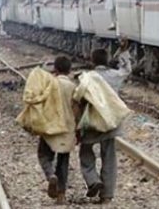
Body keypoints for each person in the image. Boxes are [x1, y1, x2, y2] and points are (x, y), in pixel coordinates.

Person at [74, 48, 127, 204]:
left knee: (85, 153)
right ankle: (107, 195)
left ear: (92, 60)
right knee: (109, 156)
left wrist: (76, 126)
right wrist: (124, 52)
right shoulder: (115, 76)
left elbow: (78, 99)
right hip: (110, 122)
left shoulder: (86, 78)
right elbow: (127, 70)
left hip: (90, 122)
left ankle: (92, 180)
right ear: (107, 60)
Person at [37, 56, 76, 205]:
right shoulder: (73, 87)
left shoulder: (49, 84)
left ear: (56, 69)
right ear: (69, 70)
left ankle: (50, 174)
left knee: (44, 155)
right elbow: (76, 109)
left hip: (50, 127)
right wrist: (77, 129)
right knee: (63, 160)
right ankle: (61, 195)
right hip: (67, 128)